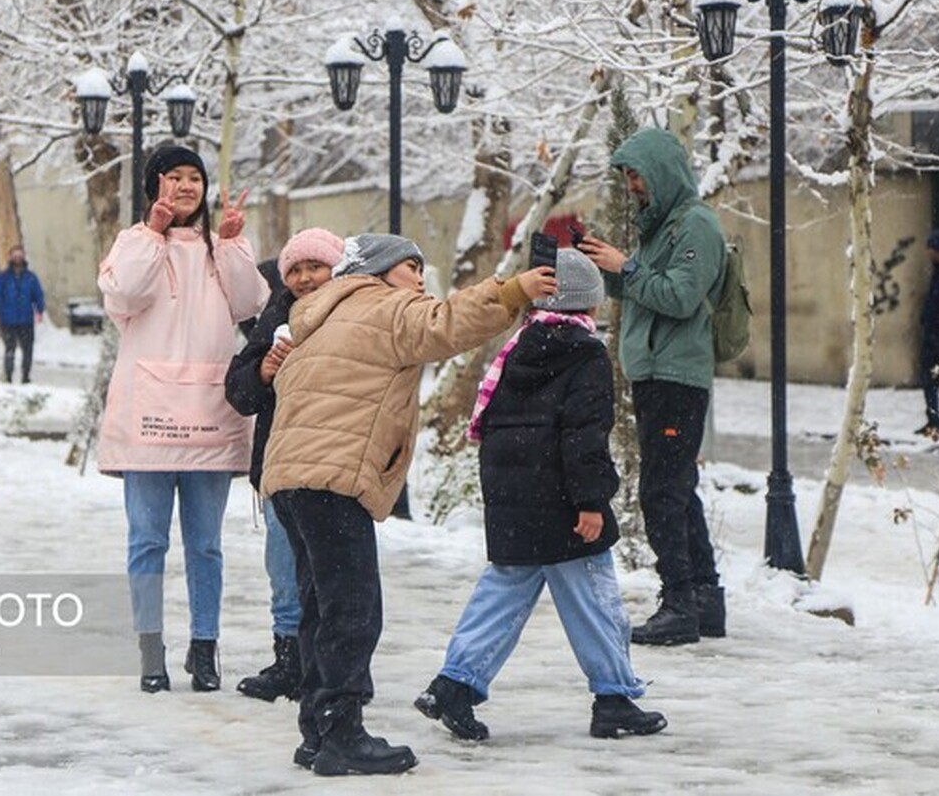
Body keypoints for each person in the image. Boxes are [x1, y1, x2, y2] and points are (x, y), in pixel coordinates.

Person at [260, 233, 558, 777]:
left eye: (423, 269)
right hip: (333, 475)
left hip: (289, 478)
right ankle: (342, 731)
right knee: (353, 609)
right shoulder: (385, 307)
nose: (419, 279)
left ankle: (318, 728)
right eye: (409, 267)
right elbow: (447, 323)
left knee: (320, 607)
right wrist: (512, 289)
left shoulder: (321, 314)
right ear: (377, 270)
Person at [414, 249, 667, 743]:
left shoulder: (520, 347)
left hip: (515, 499)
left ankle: (455, 684)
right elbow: (584, 434)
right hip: (565, 504)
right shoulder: (585, 353)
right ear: (588, 306)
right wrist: (591, 502)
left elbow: (499, 429)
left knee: (503, 593)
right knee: (594, 598)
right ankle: (614, 698)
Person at [97, 144, 269, 695]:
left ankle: (205, 647)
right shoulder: (132, 241)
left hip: (210, 413)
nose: (187, 187)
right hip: (149, 415)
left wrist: (237, 242)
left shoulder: (223, 249)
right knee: (146, 540)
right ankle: (151, 648)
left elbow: (249, 306)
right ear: (155, 185)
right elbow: (124, 294)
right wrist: (155, 230)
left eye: (195, 178)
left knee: (206, 544)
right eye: (174, 177)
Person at [579, 127, 727, 646]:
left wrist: (629, 266)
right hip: (656, 373)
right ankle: (705, 601)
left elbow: (681, 297)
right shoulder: (662, 228)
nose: (633, 185)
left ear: (661, 173)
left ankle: (680, 604)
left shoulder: (696, 226)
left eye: (637, 174)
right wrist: (608, 269)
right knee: (677, 488)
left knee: (661, 492)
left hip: (677, 377)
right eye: (627, 177)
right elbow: (647, 290)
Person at [225, 228, 344, 703]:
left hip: (336, 461)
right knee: (283, 566)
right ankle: (290, 659)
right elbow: (240, 390)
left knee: (334, 571)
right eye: (294, 270)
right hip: (281, 462)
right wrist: (263, 372)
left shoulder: (353, 311)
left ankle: (336, 667)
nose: (305, 278)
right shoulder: (277, 312)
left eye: (315, 266)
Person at [0, 245, 45, 384]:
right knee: (9, 349)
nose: (18, 259)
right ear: (10, 258)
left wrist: (39, 310)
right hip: (8, 319)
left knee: (28, 350)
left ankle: (26, 376)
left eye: (20, 256)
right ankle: (8, 375)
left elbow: (38, 295)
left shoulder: (31, 278)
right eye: (15, 256)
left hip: (26, 319)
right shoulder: (3, 278)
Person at [916, 228, 939, 436]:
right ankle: (933, 420)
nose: (928, 252)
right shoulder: (937, 270)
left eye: (931, 247)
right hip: (932, 332)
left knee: (936, 377)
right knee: (928, 377)